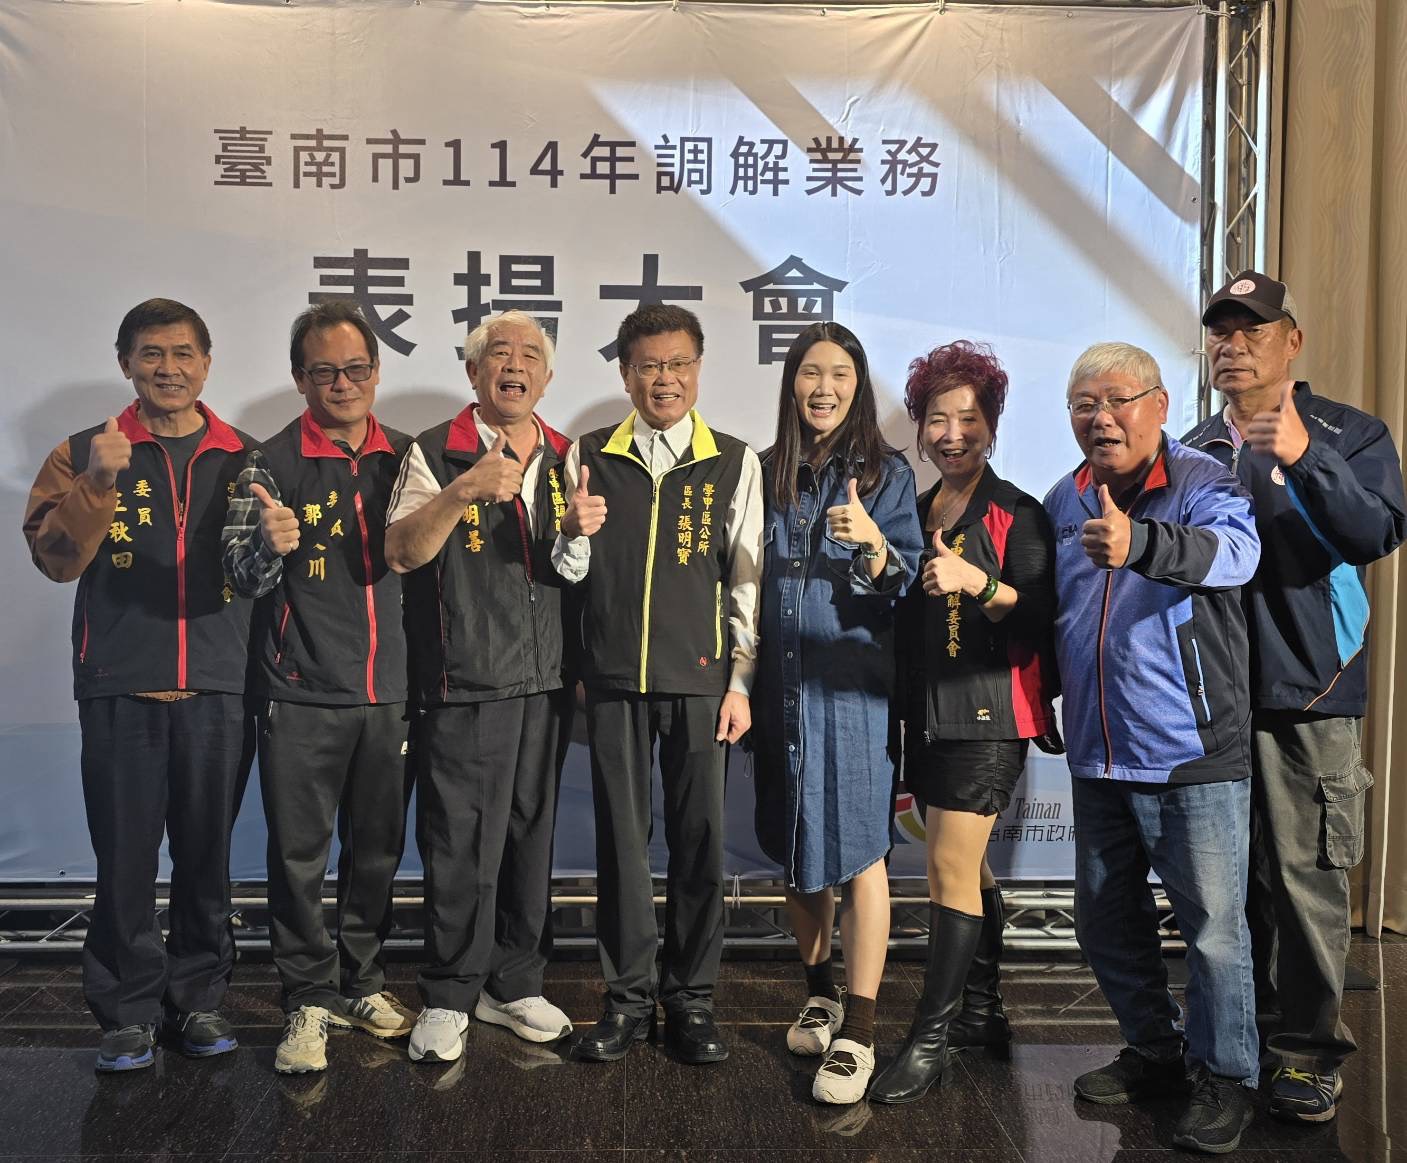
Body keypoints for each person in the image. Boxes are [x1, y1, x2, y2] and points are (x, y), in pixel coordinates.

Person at [1183, 271, 1406, 1122]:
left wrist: (1303, 453)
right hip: (1212, 702)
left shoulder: (1348, 432)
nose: (1232, 345)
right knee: (1224, 890)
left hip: (1310, 692)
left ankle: (1308, 1053)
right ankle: (1232, 1046)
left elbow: (1375, 531)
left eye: (1251, 330)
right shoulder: (1193, 446)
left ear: (1291, 342)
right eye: (1220, 331)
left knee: (1304, 882)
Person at [23, 298, 255, 1072]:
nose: (168, 368)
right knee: (124, 859)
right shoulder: (83, 451)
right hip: (120, 686)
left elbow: (265, 571)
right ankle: (125, 1011)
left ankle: (197, 997)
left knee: (206, 857)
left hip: (218, 686)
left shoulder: (244, 456)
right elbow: (55, 559)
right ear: (125, 362)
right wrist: (96, 483)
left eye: (184, 353)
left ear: (207, 364)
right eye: (151, 353)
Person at [1044, 342, 1263, 1155]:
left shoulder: (1205, 482)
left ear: (1160, 405)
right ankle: (1154, 1051)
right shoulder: (1062, 497)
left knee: (1213, 932)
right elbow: (1058, 609)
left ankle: (1226, 1076)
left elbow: (1235, 556)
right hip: (1097, 750)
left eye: (1116, 400)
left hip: (1188, 751)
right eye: (1083, 405)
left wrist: (1139, 542)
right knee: (1105, 921)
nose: (1099, 417)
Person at [553, 304, 764, 1065]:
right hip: (612, 682)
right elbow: (565, 574)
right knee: (621, 844)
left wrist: (741, 681)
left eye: (678, 364)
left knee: (700, 842)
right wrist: (572, 531)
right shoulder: (587, 455)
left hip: (701, 682)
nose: (664, 379)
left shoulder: (733, 460)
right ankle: (626, 1001)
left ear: (698, 370)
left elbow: (745, 578)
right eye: (648, 366)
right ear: (625, 374)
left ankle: (691, 1000)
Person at [221, 302, 415, 1074]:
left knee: (376, 850)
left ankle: (361, 982)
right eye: (325, 371)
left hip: (388, 692)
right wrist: (267, 546)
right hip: (299, 689)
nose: (342, 383)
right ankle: (306, 995)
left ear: (376, 371)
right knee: (299, 855)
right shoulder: (265, 463)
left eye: (355, 368)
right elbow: (240, 577)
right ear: (300, 378)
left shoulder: (407, 458)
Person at [869, 340, 1060, 1104]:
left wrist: (978, 581)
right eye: (937, 419)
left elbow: (1041, 614)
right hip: (926, 719)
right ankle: (982, 1010)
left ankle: (930, 1039)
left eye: (967, 418)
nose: (952, 434)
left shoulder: (1018, 511)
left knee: (947, 869)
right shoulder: (917, 511)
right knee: (966, 869)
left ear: (992, 423)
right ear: (919, 427)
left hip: (990, 716)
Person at [384, 310, 575, 1064]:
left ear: (548, 378)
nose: (514, 365)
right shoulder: (434, 450)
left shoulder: (567, 456)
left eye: (530, 355)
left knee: (529, 835)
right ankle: (449, 992)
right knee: (461, 842)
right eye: (499, 353)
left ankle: (514, 981)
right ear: (473, 372)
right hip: (464, 678)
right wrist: (463, 488)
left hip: (547, 681)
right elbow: (401, 551)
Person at [750, 322, 922, 1103]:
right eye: (810, 372)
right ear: (791, 383)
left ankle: (860, 1027)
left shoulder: (885, 474)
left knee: (859, 856)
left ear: (858, 386)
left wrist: (874, 544)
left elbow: (907, 582)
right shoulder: (763, 471)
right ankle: (819, 991)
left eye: (840, 374)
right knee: (796, 847)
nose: (823, 388)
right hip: (779, 692)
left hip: (852, 694)